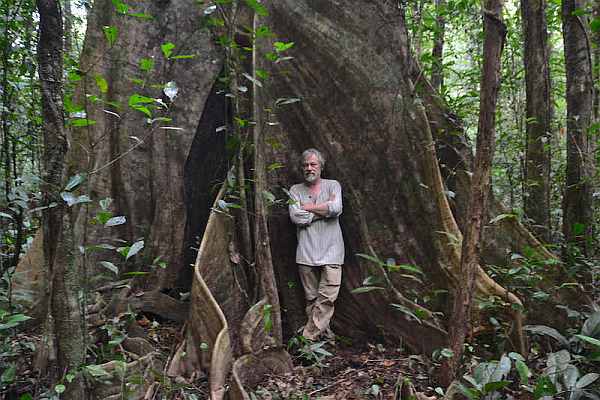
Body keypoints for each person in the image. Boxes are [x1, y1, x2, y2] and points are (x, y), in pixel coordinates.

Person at [288, 148, 344, 341]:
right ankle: (324, 338)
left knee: (327, 298)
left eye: (313, 164)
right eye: (305, 165)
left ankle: (307, 339)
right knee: (312, 299)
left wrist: (308, 208)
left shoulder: (333, 186)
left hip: (332, 251)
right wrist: (324, 208)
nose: (309, 168)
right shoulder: (295, 190)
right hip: (306, 252)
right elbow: (297, 218)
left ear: (321, 167)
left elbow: (336, 208)